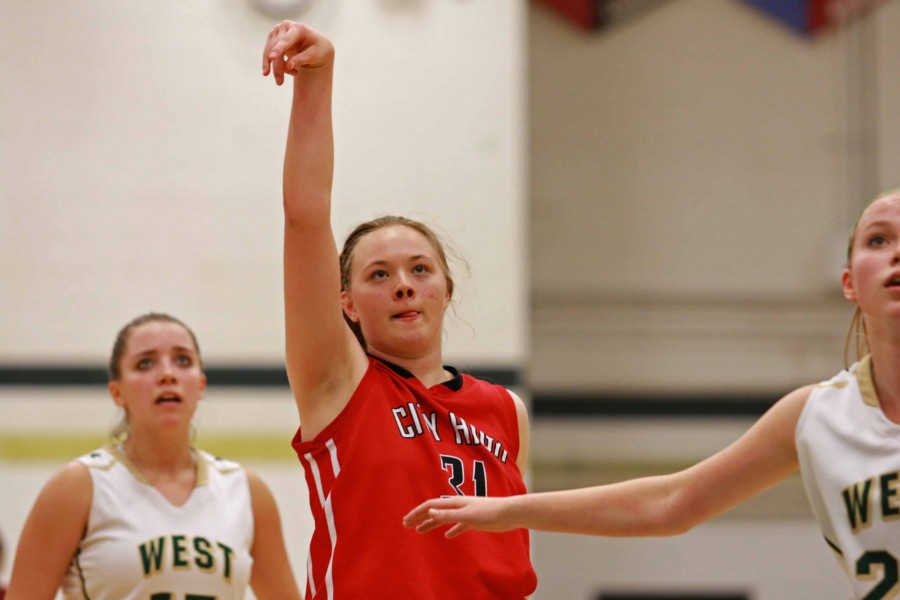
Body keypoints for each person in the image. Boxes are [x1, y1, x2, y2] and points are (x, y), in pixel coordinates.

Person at [405, 189, 900, 599]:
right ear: (849, 282)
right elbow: (670, 503)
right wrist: (505, 508)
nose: (896, 251)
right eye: (878, 239)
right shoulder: (815, 414)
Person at [261, 21, 537, 599]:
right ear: (348, 306)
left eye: (419, 270)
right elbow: (303, 217)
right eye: (379, 276)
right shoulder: (338, 384)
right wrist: (317, 80)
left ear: (446, 288)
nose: (403, 287)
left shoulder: (506, 410)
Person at [6, 313, 301, 600]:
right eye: (145, 363)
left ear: (200, 385)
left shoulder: (245, 490)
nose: (167, 374)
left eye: (182, 360)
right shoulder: (78, 486)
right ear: (117, 392)